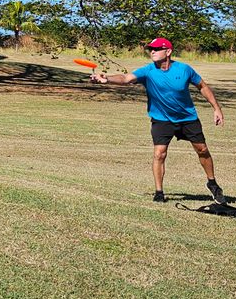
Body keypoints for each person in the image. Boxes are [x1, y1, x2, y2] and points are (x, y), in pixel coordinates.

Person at [89, 37, 227, 203]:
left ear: (168, 52)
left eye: (156, 49)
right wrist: (107, 78)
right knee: (159, 154)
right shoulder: (148, 71)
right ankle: (159, 192)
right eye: (151, 49)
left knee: (202, 150)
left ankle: (212, 183)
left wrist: (217, 109)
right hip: (162, 119)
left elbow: (202, 87)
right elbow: (126, 78)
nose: (152, 51)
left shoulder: (184, 70)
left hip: (187, 117)